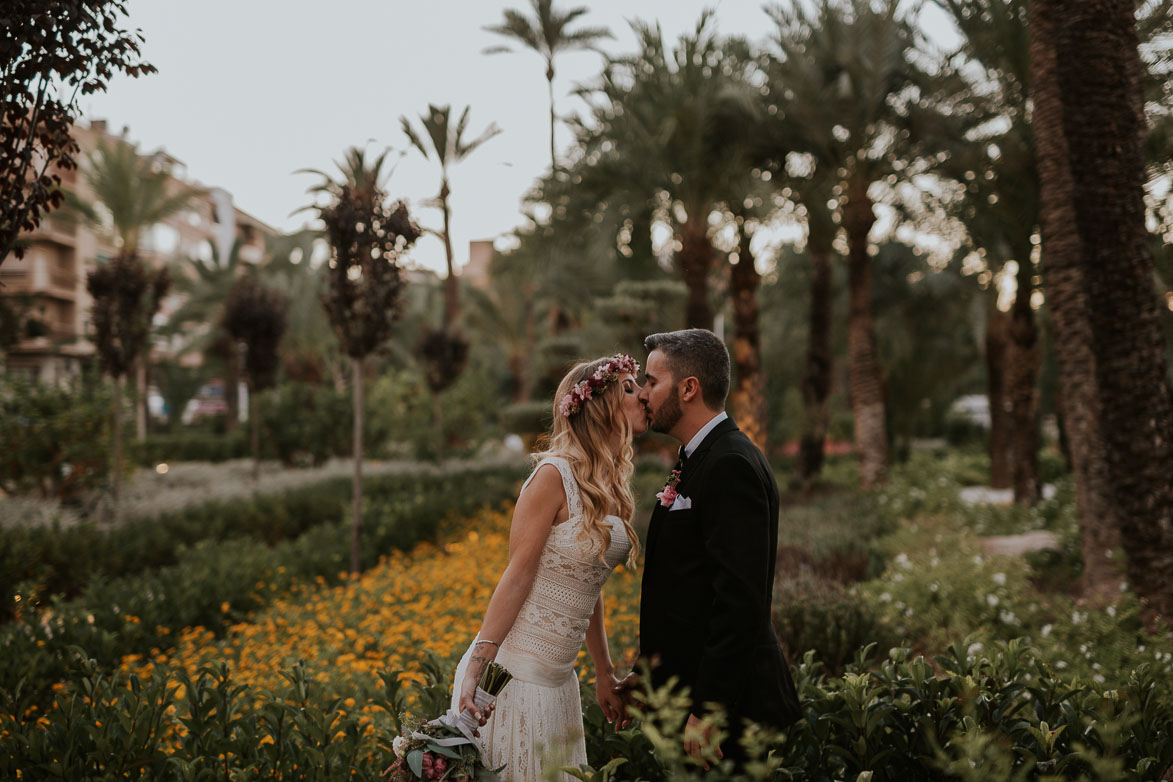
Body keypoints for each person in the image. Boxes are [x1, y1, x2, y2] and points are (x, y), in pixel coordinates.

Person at [450, 354, 647, 782]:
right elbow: (517, 575)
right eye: (629, 388)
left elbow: (587, 583)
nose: (643, 395)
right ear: (601, 406)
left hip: (560, 685)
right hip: (514, 680)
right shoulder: (552, 477)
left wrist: (603, 671)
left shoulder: (609, 481)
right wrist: (477, 667)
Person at [618, 328, 801, 768]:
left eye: (652, 381)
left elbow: (740, 601)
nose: (643, 393)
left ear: (688, 388)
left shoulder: (730, 464)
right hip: (690, 701)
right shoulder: (698, 459)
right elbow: (684, 590)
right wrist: (648, 678)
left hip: (731, 717)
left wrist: (709, 709)